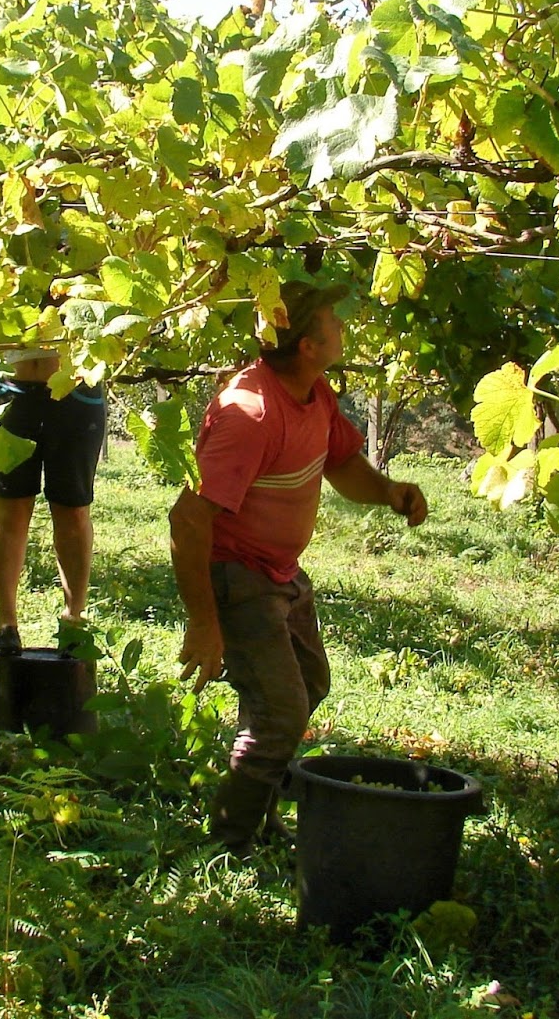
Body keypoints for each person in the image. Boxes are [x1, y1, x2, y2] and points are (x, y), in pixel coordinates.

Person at [169, 280, 428, 853]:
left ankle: (257, 814)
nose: (342, 325)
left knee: (307, 685)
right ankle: (230, 844)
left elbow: (341, 462)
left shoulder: (313, 392)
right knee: (282, 712)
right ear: (307, 345)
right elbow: (188, 520)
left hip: (278, 571)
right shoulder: (252, 413)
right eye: (332, 319)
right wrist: (204, 622)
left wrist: (388, 491)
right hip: (238, 573)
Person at [0, 348, 106, 656]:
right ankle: (5, 623)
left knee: (73, 509)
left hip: (76, 390)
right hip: (10, 388)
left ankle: (74, 619)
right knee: (11, 507)